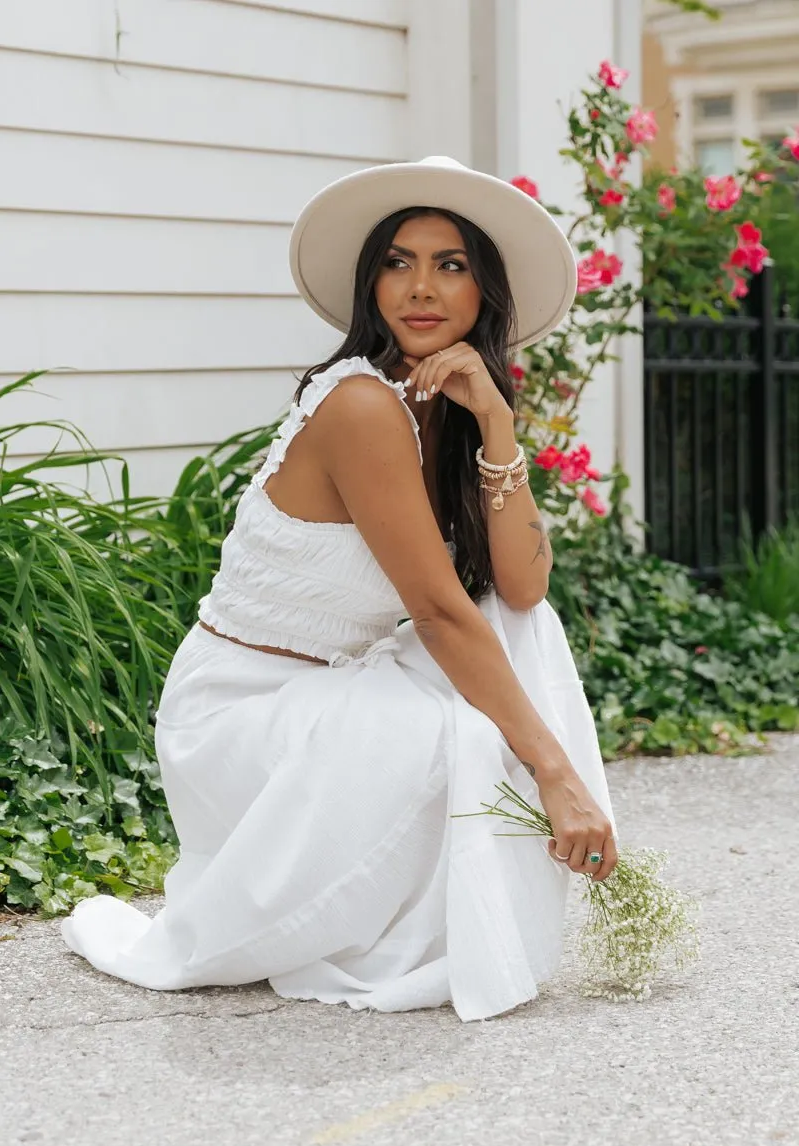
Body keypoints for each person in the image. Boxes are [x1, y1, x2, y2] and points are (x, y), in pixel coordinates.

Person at [61, 156, 619, 1023]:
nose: (420, 288)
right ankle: (399, 932)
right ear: (370, 283)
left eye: (451, 264)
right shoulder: (361, 405)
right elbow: (434, 613)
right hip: (241, 716)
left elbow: (521, 585)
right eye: (397, 262)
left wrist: (499, 423)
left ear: (486, 291)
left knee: (520, 631)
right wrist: (556, 772)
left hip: (329, 690)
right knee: (448, 731)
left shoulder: (448, 404)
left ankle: (438, 914)